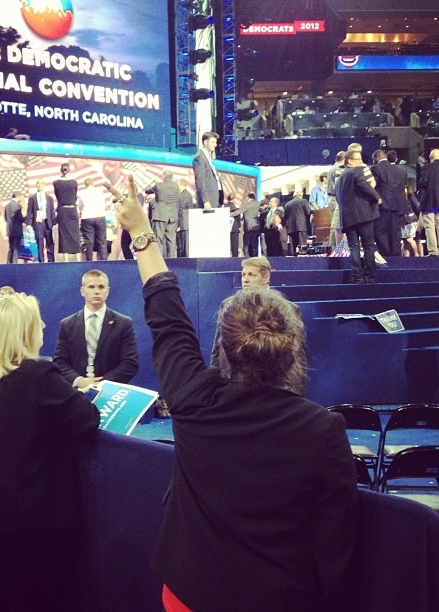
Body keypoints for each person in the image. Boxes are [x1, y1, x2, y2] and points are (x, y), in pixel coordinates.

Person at [114, 175, 357, 612]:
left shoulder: (195, 399)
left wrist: (138, 231)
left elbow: (167, 316)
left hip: (189, 592)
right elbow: (333, 545)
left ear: (225, 347)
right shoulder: (323, 429)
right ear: (293, 347)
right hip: (279, 597)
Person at [0, 292, 99, 612]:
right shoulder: (37, 375)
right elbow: (87, 419)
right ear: (25, 331)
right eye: (37, 321)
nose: (44, 325)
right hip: (22, 524)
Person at [54, 269, 139, 390]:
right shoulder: (67, 324)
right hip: (76, 393)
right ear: (82, 291)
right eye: (91, 287)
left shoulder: (123, 323)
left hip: (111, 392)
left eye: (101, 287)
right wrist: (79, 381)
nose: (96, 291)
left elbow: (130, 363)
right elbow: (60, 362)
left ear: (108, 291)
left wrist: (101, 384)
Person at [209, 256, 272, 368]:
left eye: (251, 275)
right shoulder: (227, 305)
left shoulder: (285, 308)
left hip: (269, 377)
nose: (245, 279)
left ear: (265, 278)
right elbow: (218, 346)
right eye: (243, 274)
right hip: (233, 377)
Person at [335, 149, 382, 283]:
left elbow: (339, 199)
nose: (361, 162)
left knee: (354, 247)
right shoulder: (357, 171)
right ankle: (370, 276)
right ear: (349, 161)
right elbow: (364, 185)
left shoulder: (339, 180)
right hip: (364, 215)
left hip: (348, 218)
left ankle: (358, 277)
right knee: (368, 245)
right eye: (358, 159)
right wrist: (377, 197)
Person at [371, 149, 407, 257]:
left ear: (377, 157)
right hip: (398, 206)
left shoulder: (376, 168)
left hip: (383, 205)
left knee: (380, 230)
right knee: (395, 231)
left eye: (373, 159)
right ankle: (395, 255)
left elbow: (372, 186)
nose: (373, 161)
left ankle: (385, 254)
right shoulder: (401, 170)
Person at [145, 170, 180, 258]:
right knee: (171, 239)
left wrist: (151, 183)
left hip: (160, 215)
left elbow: (146, 190)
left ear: (164, 176)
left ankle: (159, 259)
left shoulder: (158, 185)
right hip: (172, 216)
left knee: (159, 238)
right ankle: (172, 259)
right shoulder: (176, 186)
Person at [53, 163, 81, 262]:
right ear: (68, 170)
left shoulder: (56, 182)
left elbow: (58, 195)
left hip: (63, 210)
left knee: (64, 235)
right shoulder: (74, 182)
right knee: (75, 234)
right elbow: (74, 194)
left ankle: (66, 259)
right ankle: (78, 258)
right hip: (72, 209)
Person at [26, 179, 56, 263]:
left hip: (48, 222)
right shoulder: (32, 198)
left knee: (50, 243)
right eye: (38, 184)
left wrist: (54, 224)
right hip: (38, 223)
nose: (39, 185)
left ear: (44, 185)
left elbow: (52, 211)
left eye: (41, 183)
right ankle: (41, 262)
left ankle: (51, 261)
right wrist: (28, 224)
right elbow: (29, 212)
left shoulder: (49, 198)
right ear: (36, 185)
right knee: (40, 243)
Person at [79, 177, 108, 261]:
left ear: (85, 184)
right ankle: (104, 261)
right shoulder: (100, 191)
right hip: (100, 216)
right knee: (102, 241)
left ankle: (89, 261)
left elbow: (80, 206)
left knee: (89, 241)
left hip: (87, 217)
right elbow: (104, 204)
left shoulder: (82, 193)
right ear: (93, 183)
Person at [193, 131, 223, 210]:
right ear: (205, 142)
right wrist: (205, 200)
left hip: (214, 198)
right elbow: (200, 180)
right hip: (208, 200)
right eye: (213, 142)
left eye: (216, 142)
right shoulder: (199, 158)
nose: (215, 145)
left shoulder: (207, 157)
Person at [418, 148, 439, 256]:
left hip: (430, 203)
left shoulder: (427, 167)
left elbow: (423, 182)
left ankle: (433, 252)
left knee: (430, 226)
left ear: (430, 158)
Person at [326, 151, 346, 247]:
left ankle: (333, 246)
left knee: (334, 225)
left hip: (331, 198)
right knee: (337, 225)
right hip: (335, 198)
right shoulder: (338, 169)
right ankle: (336, 247)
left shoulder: (332, 168)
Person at [233, 192, 261, 256]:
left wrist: (228, 214)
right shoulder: (258, 203)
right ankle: (256, 258)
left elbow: (238, 212)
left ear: (248, 197)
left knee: (246, 245)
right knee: (255, 244)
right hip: (257, 226)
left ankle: (247, 259)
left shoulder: (247, 204)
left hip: (249, 226)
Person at [284, 191, 311, 255]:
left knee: (293, 246)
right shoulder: (303, 201)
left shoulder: (287, 204)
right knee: (302, 245)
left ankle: (295, 260)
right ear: (301, 195)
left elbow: (285, 217)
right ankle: (303, 260)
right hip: (301, 226)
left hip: (291, 228)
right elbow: (308, 212)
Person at [4, 191, 25, 264]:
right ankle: (14, 263)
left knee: (11, 247)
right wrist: (24, 218)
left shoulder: (7, 206)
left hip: (9, 230)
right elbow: (19, 218)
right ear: (18, 196)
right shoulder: (17, 206)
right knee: (16, 248)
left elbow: (6, 218)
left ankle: (8, 263)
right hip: (16, 230)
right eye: (21, 196)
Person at [176, 179, 193, 258]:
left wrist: (179, 224)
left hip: (184, 222)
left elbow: (181, 208)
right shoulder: (182, 194)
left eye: (177, 185)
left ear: (182, 185)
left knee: (185, 246)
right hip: (183, 222)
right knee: (181, 245)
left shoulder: (186, 195)